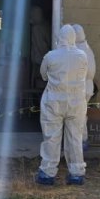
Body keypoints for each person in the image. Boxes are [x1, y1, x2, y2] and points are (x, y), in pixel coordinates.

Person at [36, 25, 89, 186]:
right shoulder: (82, 56)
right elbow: (84, 75)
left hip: (54, 102)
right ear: (74, 38)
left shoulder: (50, 56)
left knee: (51, 138)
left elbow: (43, 75)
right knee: (75, 138)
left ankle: (47, 173)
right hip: (76, 103)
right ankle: (76, 173)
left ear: (59, 38)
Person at [71, 24, 97, 149]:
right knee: (80, 115)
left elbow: (89, 72)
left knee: (77, 116)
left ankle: (81, 141)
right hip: (86, 87)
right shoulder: (87, 49)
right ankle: (81, 141)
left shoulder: (78, 51)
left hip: (80, 88)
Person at [28, 6, 51, 91]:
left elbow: (42, 47)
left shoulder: (39, 28)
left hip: (41, 59)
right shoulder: (39, 27)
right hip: (40, 58)